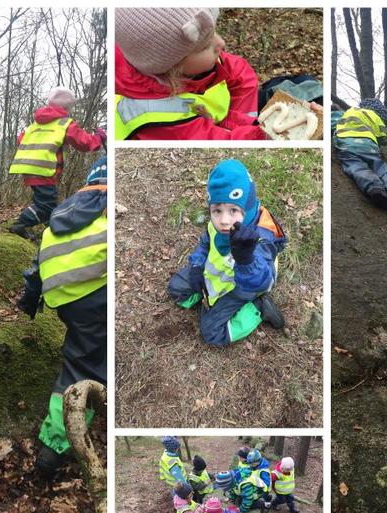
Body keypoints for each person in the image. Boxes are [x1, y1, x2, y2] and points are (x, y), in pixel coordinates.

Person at [16, 156, 107, 477]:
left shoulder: (65, 211)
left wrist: (29, 301)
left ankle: (54, 441)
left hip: (65, 300)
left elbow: (36, 266)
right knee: (89, 365)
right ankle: (56, 447)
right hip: (98, 292)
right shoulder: (109, 204)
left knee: (80, 359)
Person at [167, 159, 286, 346]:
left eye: (233, 210)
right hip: (217, 275)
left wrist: (245, 259)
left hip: (244, 286)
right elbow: (205, 243)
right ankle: (209, 300)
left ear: (247, 206)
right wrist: (197, 265)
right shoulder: (218, 225)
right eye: (217, 210)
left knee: (212, 333)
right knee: (176, 289)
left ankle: (259, 308)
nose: (224, 220)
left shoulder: (260, 237)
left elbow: (262, 280)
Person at [114, 8, 268, 140]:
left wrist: (247, 123)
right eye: (206, 46)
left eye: (215, 32)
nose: (221, 43)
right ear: (173, 69)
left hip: (224, 121)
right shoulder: (156, 118)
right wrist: (262, 135)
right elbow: (213, 140)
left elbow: (239, 70)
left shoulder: (195, 61)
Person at [7, 86, 106, 240]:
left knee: (50, 203)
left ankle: (50, 234)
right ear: (66, 107)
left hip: (27, 168)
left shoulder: (35, 124)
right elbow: (85, 142)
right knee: (46, 206)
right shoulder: (65, 123)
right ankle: (20, 224)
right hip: (44, 170)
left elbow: (20, 139)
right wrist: (99, 137)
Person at [333, 98, 387, 214]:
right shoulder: (376, 118)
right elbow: (380, 138)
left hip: (347, 143)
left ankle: (375, 189)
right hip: (369, 146)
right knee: (382, 170)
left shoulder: (350, 112)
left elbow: (332, 122)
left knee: (357, 168)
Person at [234, 448, 272, 512]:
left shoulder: (263, 471)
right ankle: (268, 498)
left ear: (257, 461)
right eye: (249, 463)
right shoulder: (254, 466)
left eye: (252, 464)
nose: (250, 465)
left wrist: (261, 495)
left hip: (263, 489)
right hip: (256, 484)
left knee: (250, 500)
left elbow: (266, 485)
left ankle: (263, 503)